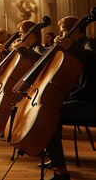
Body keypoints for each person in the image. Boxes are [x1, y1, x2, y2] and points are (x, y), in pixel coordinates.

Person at [43, 16, 96, 180]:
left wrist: (71, 47)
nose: (61, 34)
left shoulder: (89, 43)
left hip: (90, 103)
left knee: (47, 117)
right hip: (78, 99)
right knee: (48, 113)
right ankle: (57, 161)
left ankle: (61, 172)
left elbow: (93, 58)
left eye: (64, 30)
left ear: (75, 30)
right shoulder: (73, 47)